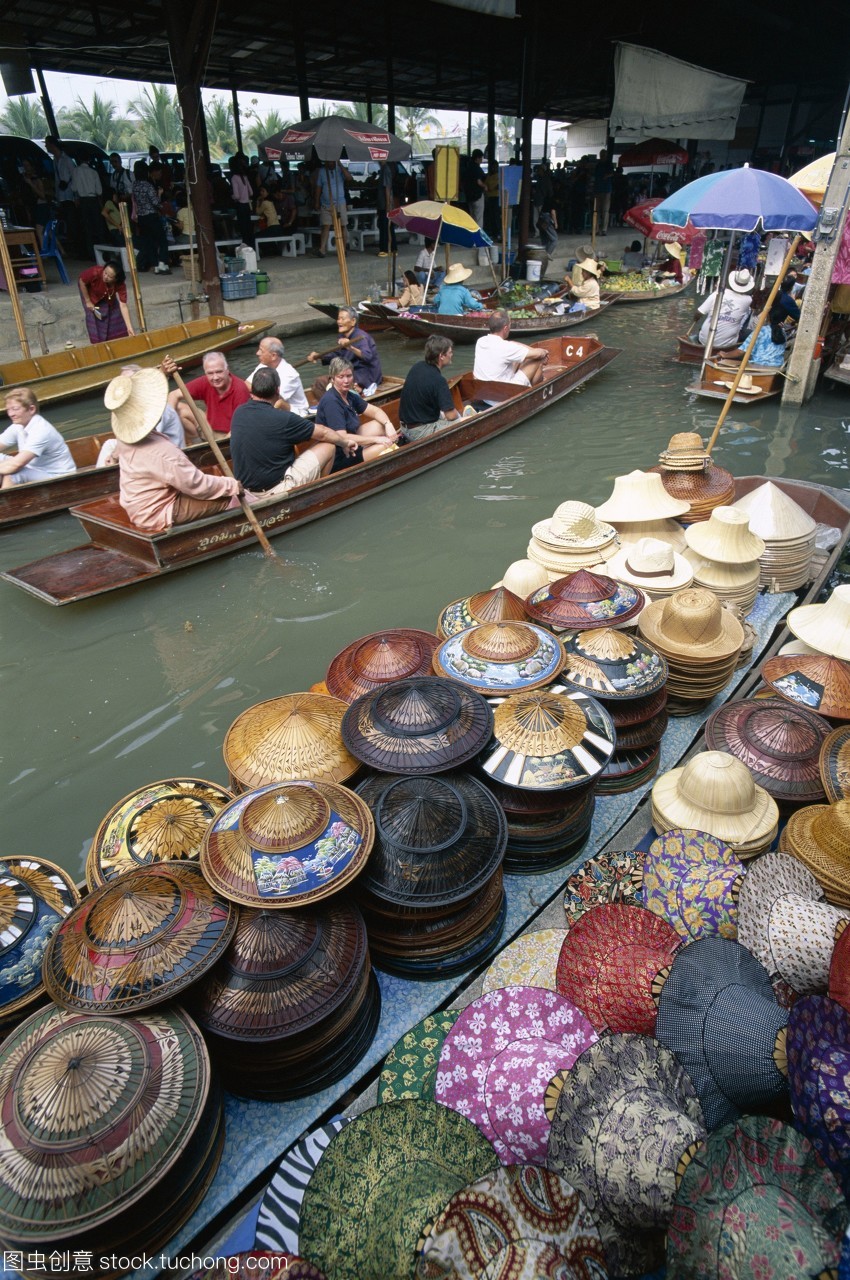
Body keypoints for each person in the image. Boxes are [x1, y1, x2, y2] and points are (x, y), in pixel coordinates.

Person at [108, 367, 241, 532]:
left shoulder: (125, 438)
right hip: (157, 512)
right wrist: (232, 485)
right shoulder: (161, 451)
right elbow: (196, 484)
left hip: (141, 505)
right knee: (230, 496)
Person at [230, 367, 362, 496]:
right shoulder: (284, 419)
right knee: (328, 446)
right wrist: (344, 442)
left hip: (247, 490)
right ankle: (320, 495)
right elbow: (323, 433)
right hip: (276, 489)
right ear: (277, 390)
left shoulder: (239, 412)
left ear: (253, 390)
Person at [314, 358, 399, 471]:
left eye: (349, 376)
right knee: (383, 446)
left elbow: (375, 411)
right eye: (341, 377)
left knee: (379, 424)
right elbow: (342, 437)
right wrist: (376, 440)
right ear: (332, 378)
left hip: (353, 444)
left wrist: (388, 424)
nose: (346, 381)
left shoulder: (348, 395)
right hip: (340, 454)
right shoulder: (331, 401)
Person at [96, 365, 185, 466]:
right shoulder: (140, 408)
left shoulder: (158, 407)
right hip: (153, 450)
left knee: (114, 450)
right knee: (110, 444)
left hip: (169, 456)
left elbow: (146, 439)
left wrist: (115, 457)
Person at [0, 387, 75, 487]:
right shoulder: (18, 425)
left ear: (31, 409)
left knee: (14, 475)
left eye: (15, 409)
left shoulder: (41, 430)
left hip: (58, 476)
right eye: (8, 410)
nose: (11, 414)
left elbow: (16, 464)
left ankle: (4, 502)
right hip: (33, 469)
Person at [169, 351, 250, 438]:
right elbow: (173, 394)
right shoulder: (205, 381)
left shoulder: (240, 389)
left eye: (219, 372)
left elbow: (240, 427)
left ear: (227, 370)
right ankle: (196, 441)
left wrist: (223, 444)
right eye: (210, 373)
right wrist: (168, 421)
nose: (215, 377)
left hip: (228, 435)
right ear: (205, 373)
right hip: (209, 427)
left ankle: (204, 447)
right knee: (179, 408)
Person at [307, 307, 382, 396]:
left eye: (342, 319)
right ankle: (330, 406)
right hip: (349, 374)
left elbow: (367, 356)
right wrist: (319, 356)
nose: (339, 321)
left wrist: (350, 347)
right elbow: (338, 355)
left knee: (327, 382)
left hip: (366, 376)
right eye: (338, 319)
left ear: (353, 321)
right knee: (319, 383)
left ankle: (352, 394)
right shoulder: (342, 336)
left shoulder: (361, 337)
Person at [398, 336, 461, 440]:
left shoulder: (417, 366)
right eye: (450, 352)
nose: (451, 355)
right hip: (419, 432)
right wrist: (458, 416)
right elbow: (451, 416)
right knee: (461, 420)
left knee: (443, 414)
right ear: (441, 356)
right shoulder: (439, 380)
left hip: (405, 427)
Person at [473, 310, 550, 387]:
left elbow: (513, 344)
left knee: (520, 357)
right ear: (505, 328)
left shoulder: (480, 341)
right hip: (505, 391)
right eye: (510, 325)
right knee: (538, 359)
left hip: (483, 391)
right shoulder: (506, 347)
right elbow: (538, 354)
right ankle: (535, 388)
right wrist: (545, 352)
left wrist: (532, 350)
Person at [246, 336, 311, 416]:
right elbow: (246, 384)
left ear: (273, 356)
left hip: (297, 414)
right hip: (271, 408)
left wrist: (256, 390)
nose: (257, 353)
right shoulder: (263, 365)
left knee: (279, 403)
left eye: (261, 351)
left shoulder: (290, 374)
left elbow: (273, 400)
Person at [78, 260, 135, 343]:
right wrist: (88, 301)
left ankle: (115, 341)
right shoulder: (95, 272)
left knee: (115, 314)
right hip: (89, 292)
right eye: (105, 273)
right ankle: (98, 344)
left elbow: (123, 305)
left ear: (116, 279)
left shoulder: (120, 285)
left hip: (107, 295)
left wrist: (129, 327)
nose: (105, 276)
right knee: (93, 314)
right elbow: (81, 281)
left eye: (110, 276)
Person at [697, 269, 755, 349]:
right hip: (726, 344)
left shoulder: (718, 293)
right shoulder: (748, 300)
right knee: (750, 324)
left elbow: (699, 313)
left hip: (704, 340)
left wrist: (696, 319)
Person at [132, 160, 170, 273]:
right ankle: (163, 263)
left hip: (142, 218)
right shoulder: (147, 185)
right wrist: (159, 194)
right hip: (151, 216)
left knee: (149, 242)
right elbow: (156, 203)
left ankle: (155, 265)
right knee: (162, 240)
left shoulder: (135, 185)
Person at [314, 161, 348, 258]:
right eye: (329, 162)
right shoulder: (322, 171)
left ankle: (344, 249)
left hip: (340, 202)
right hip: (326, 203)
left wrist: (340, 165)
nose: (331, 164)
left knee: (343, 226)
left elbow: (349, 178)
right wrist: (316, 201)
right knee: (326, 225)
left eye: (333, 162)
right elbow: (318, 187)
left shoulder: (340, 170)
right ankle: (322, 249)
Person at [72, 160, 104, 261]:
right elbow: (99, 190)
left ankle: (90, 253)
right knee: (98, 227)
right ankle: (102, 252)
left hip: (83, 200)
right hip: (93, 200)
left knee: (87, 228)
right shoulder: (94, 172)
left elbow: (74, 188)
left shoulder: (76, 171)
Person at [592, 149, 614, 235]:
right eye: (601, 155)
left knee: (605, 210)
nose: (602, 157)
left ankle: (604, 229)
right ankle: (596, 229)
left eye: (603, 155)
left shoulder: (609, 164)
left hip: (606, 190)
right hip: (598, 189)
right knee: (596, 211)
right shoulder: (598, 165)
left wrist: (606, 176)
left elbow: (612, 173)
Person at [464, 149, 487, 226]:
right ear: (477, 158)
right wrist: (485, 186)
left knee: (472, 217)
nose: (481, 160)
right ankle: (479, 235)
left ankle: (472, 235)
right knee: (479, 218)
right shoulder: (476, 168)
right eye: (481, 158)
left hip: (469, 196)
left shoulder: (468, 167)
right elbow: (479, 182)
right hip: (477, 195)